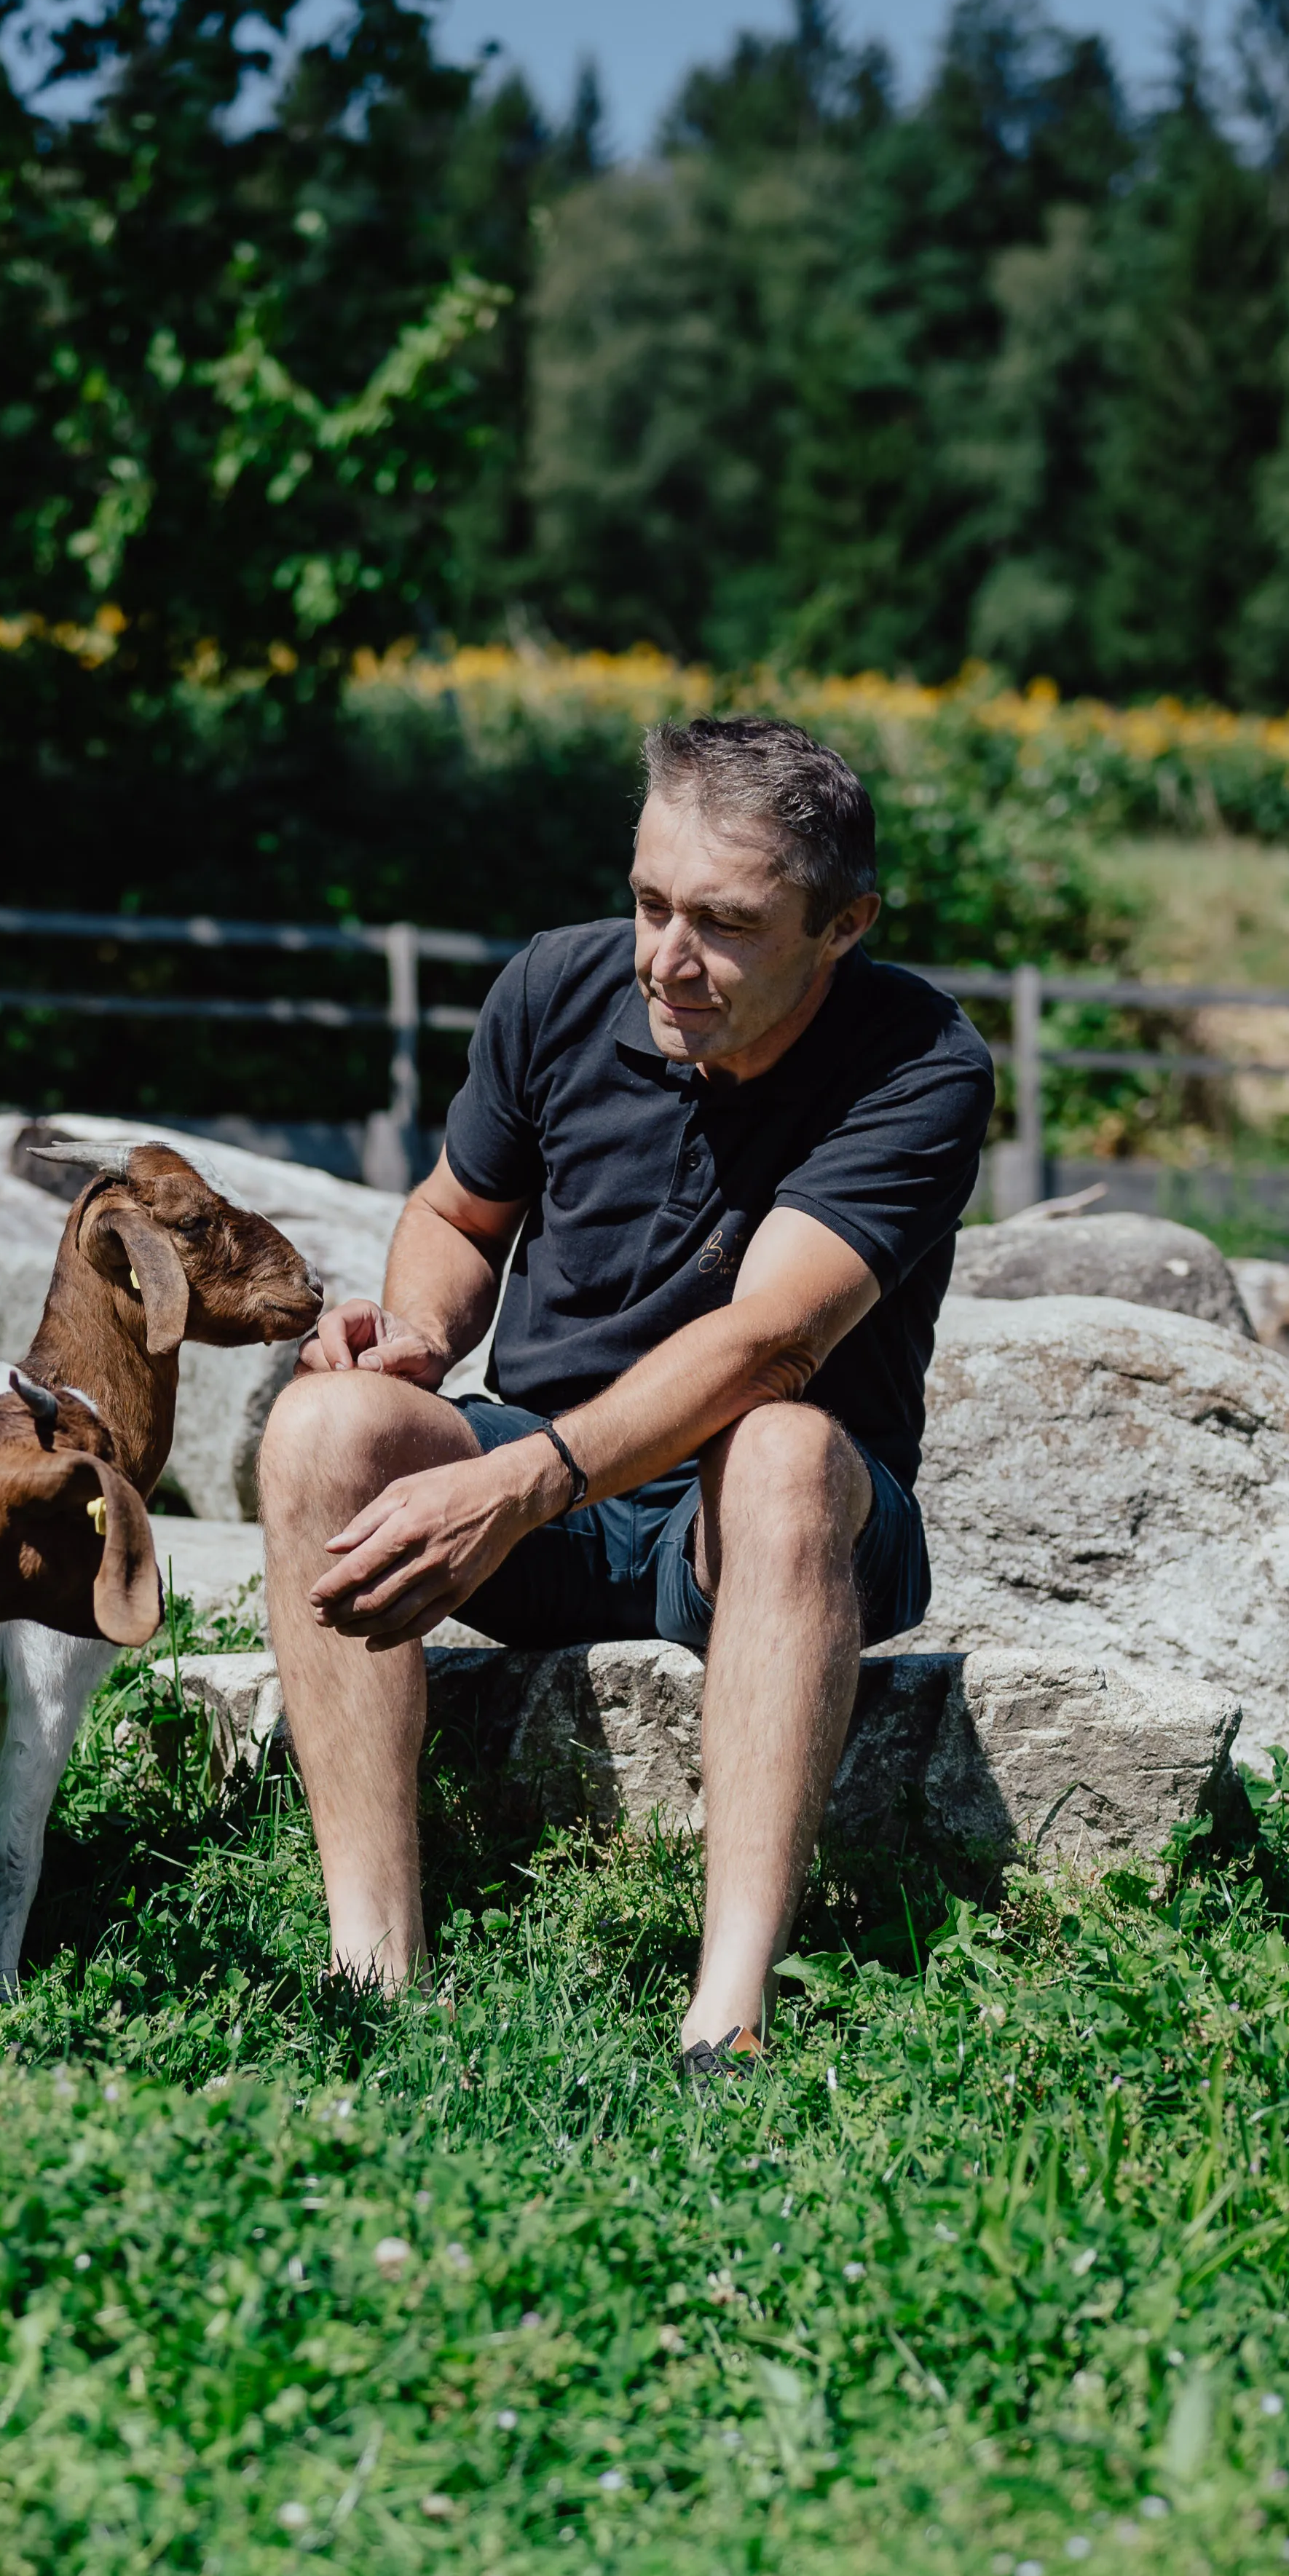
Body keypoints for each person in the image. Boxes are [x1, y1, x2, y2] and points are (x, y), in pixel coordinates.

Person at [255, 714, 996, 2071]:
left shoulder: (921, 1064)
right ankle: (375, 1974)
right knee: (325, 1426)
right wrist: (418, 1332)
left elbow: (770, 1344)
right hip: (541, 1492)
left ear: (843, 926)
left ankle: (727, 2017)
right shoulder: (554, 987)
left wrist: (518, 1481)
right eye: (650, 902)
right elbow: (458, 1215)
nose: (666, 957)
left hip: (764, 1533)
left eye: (723, 923)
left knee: (776, 1446)